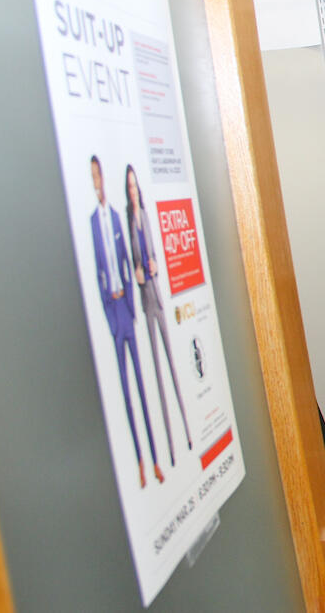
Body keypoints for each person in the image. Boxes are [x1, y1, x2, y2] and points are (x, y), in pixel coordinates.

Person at [90, 155, 163, 488]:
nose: (97, 182)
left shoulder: (119, 218)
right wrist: (111, 316)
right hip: (114, 312)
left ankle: (156, 460)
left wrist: (132, 308)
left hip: (128, 308)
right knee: (125, 391)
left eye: (99, 176)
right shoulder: (94, 222)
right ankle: (140, 463)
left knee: (142, 389)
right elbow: (99, 272)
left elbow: (126, 262)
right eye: (93, 177)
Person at [126, 164, 192, 466]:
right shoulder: (127, 221)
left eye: (134, 185)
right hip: (146, 301)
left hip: (160, 300)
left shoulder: (146, 217)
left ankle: (187, 433)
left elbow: (155, 255)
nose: (133, 191)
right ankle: (171, 451)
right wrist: (136, 272)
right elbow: (130, 262)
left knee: (174, 370)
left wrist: (154, 265)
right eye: (129, 187)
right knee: (157, 373)